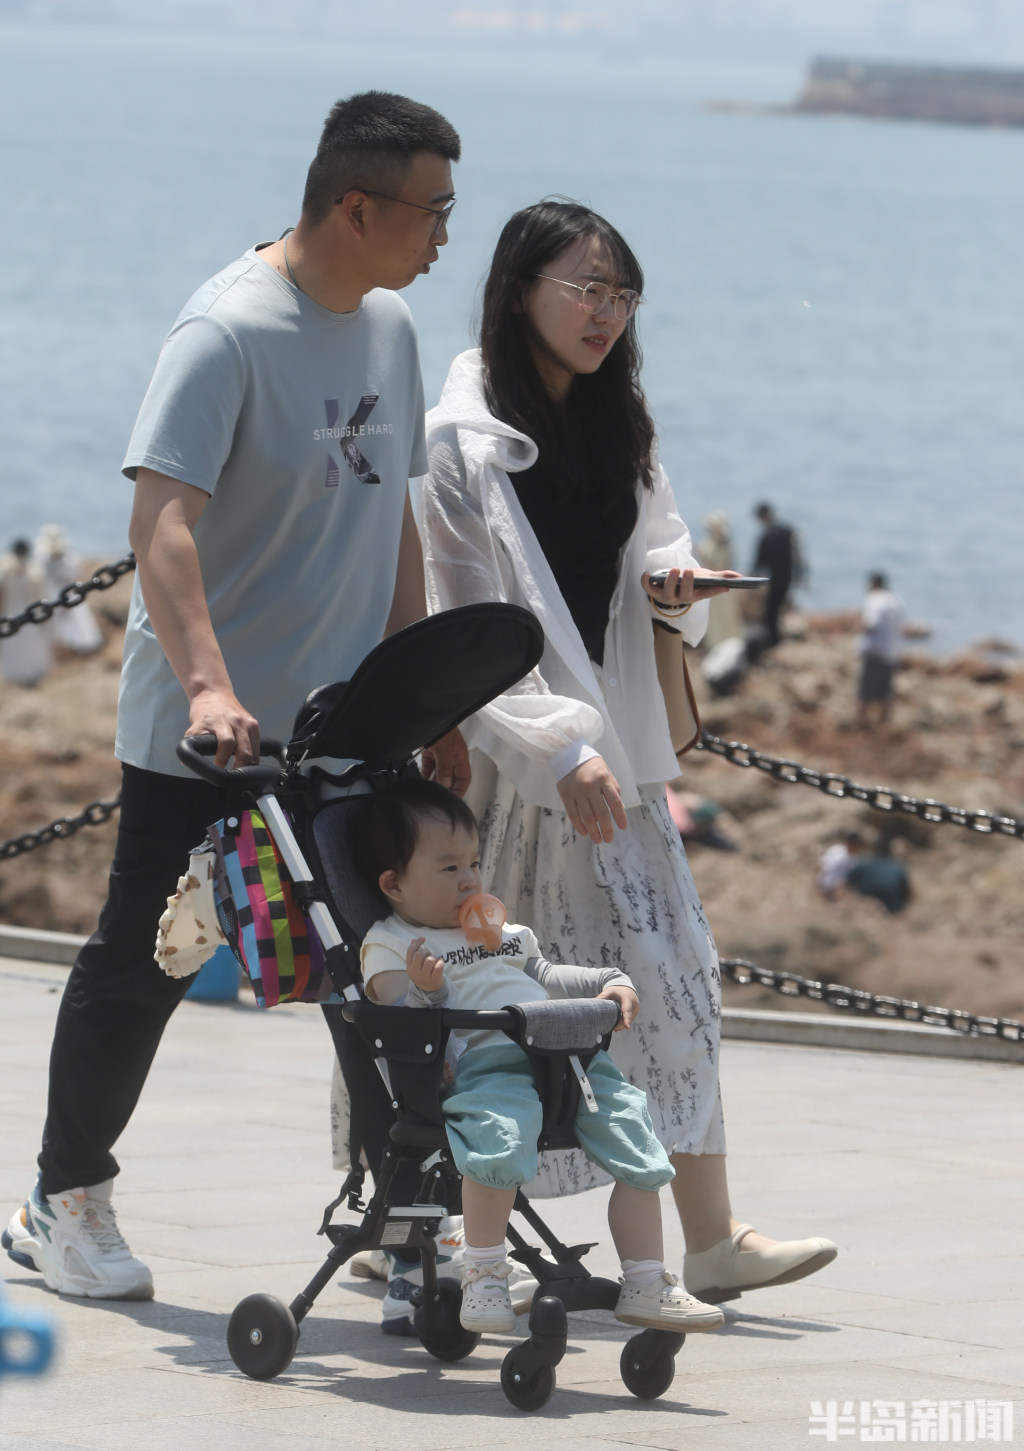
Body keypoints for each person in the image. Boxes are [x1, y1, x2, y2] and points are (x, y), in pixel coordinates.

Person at [2, 91, 465, 1301]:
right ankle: (62, 1201)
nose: (444, 236)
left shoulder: (391, 326)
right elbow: (160, 521)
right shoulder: (225, 331)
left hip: (349, 726)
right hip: (211, 735)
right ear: (356, 206)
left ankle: (403, 1224)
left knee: (380, 969)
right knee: (146, 959)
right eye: (432, 211)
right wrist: (207, 684)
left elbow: (396, 514)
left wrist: (422, 689)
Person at [414, 200, 837, 1304]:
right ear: (520, 292)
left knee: (675, 979)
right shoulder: (458, 443)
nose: (605, 312)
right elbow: (464, 617)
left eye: (622, 293)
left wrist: (673, 590)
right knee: (470, 998)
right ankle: (414, 1220)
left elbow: (656, 554)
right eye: (585, 288)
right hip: (507, 772)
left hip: (614, 761)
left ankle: (710, 1237)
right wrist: (557, 748)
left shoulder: (621, 428)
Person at [356, 776, 725, 1335]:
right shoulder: (392, 945)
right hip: (483, 1065)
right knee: (499, 1146)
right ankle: (484, 1275)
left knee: (637, 1142)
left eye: (473, 863)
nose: (470, 879)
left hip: (563, 1057)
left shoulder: (501, 931)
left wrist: (608, 980)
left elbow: (546, 974)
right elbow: (394, 1019)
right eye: (449, 867)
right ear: (394, 884)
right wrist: (426, 992)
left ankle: (647, 1280)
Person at [33, 525, 104, 654]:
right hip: (50, 593)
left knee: (75, 623)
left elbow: (73, 575)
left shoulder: (67, 557)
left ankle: (80, 647)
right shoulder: (42, 556)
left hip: (67, 593)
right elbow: (39, 574)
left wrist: (59, 562)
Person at [751, 502, 804, 649]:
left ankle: (773, 640)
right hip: (787, 576)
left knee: (771, 610)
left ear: (762, 516)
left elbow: (759, 563)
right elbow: (797, 555)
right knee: (778, 607)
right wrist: (800, 574)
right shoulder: (787, 531)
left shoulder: (766, 536)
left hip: (774, 578)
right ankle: (776, 638)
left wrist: (751, 583)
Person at [0, 539, 52, 687]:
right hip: (26, 611)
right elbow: (42, 594)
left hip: (15, 610)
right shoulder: (33, 570)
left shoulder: (6, 568)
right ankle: (22, 674)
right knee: (25, 642)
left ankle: (20, 674)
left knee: (19, 642)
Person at [857, 572, 904, 727]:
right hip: (891, 651)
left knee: (866, 690)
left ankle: (860, 722)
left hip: (875, 650)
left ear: (874, 584)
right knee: (885, 690)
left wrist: (856, 630)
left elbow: (871, 624)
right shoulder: (895, 601)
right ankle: (884, 724)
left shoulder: (875, 599)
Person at [695, 512, 744, 653]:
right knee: (714, 618)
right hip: (713, 585)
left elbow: (717, 564)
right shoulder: (712, 543)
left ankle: (729, 646)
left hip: (721, 586)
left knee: (726, 617)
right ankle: (715, 646)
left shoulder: (722, 545)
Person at [847, 838, 912, 915]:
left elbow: (848, 882)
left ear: (874, 850)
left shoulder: (863, 863)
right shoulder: (897, 866)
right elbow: (908, 891)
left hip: (866, 905)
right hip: (892, 907)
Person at [816, 831, 865, 899]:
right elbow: (821, 866)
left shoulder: (855, 859)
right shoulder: (836, 851)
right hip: (826, 887)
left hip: (842, 891)